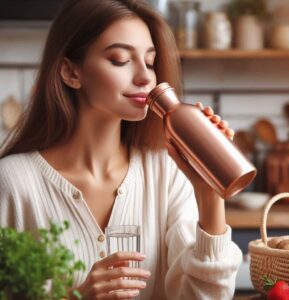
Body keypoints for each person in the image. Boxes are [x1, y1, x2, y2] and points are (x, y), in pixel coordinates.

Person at [0, 0, 242, 299]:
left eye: (151, 62)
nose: (145, 77)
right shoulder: (13, 181)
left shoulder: (166, 172)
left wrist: (209, 196)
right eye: (119, 59)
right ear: (70, 72)